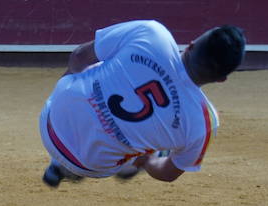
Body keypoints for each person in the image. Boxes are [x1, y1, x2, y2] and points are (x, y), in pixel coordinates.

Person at [39, 20, 245, 187]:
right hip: (89, 165)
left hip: (50, 120)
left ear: (191, 46)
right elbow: (167, 173)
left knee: (103, 64)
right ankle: (129, 164)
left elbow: (79, 57)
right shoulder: (203, 123)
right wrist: (147, 161)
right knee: (156, 146)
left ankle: (59, 163)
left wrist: (67, 94)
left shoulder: (153, 34)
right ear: (221, 79)